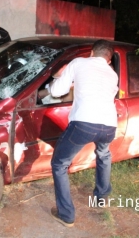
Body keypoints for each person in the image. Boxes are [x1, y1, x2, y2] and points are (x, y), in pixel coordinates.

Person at [48, 40, 118, 227]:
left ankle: (66, 214)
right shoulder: (112, 75)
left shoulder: (79, 62)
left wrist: (59, 77)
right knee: (103, 155)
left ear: (91, 52)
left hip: (84, 124)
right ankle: (101, 197)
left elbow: (56, 91)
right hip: (109, 125)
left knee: (59, 164)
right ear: (109, 60)